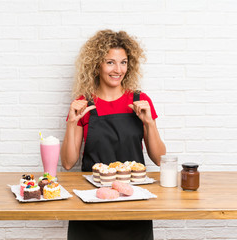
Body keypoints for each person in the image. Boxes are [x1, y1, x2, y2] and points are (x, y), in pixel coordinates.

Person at [61, 29, 166, 240]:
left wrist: (149, 123)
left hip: (133, 200)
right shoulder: (84, 104)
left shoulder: (139, 100)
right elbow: (68, 162)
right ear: (97, 65)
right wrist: (72, 123)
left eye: (123, 62)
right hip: (92, 202)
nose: (118, 69)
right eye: (110, 62)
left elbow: (159, 159)